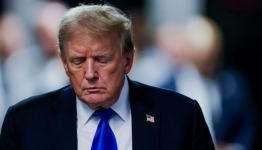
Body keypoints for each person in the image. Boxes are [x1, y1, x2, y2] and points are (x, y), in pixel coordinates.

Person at [0, 4, 214, 150]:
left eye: (102, 60)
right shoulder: (24, 123)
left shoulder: (182, 117)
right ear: (64, 64)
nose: (90, 74)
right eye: (78, 61)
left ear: (127, 61)